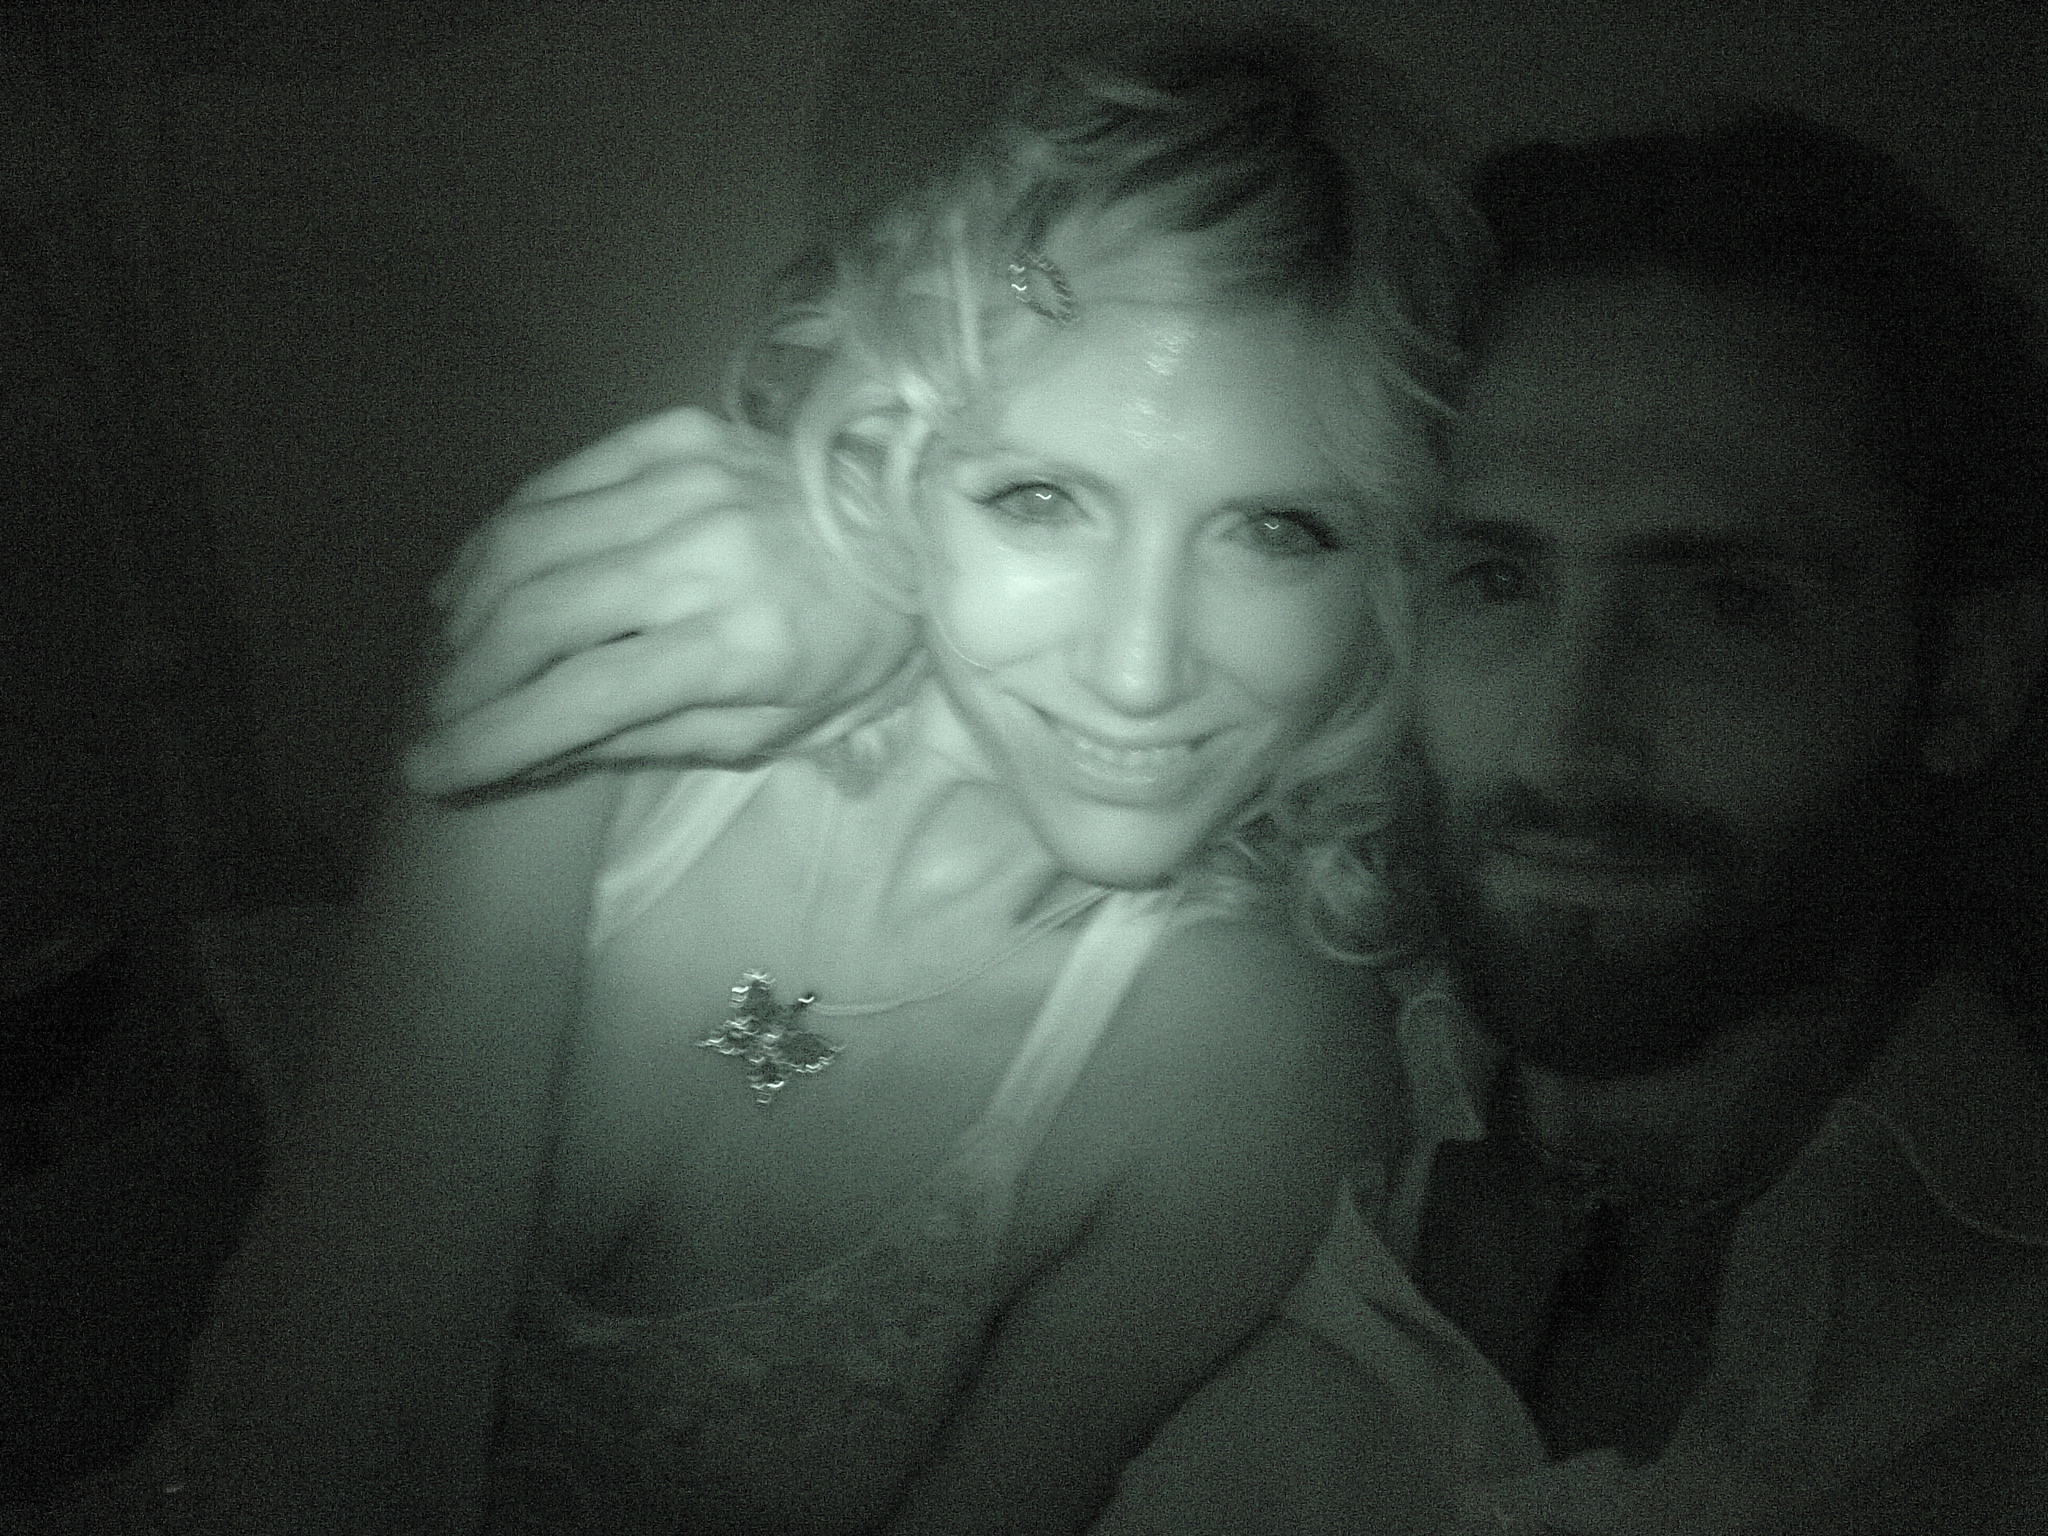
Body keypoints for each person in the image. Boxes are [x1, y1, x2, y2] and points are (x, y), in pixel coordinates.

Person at [409, 108, 2048, 1535]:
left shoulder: (1253, 1071)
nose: (1571, 730)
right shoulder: (1336, 990)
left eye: (1728, 600)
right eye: (1494, 573)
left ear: (1970, 674)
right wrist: (844, 552)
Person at [42, 35, 1482, 1536]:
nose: (1138, 669)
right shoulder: (621, 688)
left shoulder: (1254, 1071)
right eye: (1040, 497)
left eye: (1276, 531)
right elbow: (324, 1436)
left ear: (1394, 565)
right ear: (899, 449)